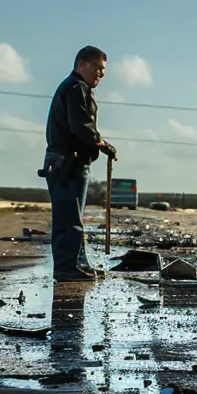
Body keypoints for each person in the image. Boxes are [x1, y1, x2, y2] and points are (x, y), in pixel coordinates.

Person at [41, 45, 117, 282]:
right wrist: (101, 143)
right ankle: (66, 268)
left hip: (69, 161)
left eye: (103, 71)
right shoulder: (75, 88)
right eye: (97, 68)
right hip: (68, 162)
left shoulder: (77, 88)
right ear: (82, 63)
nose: (100, 75)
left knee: (75, 219)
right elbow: (81, 126)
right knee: (69, 221)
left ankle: (79, 265)